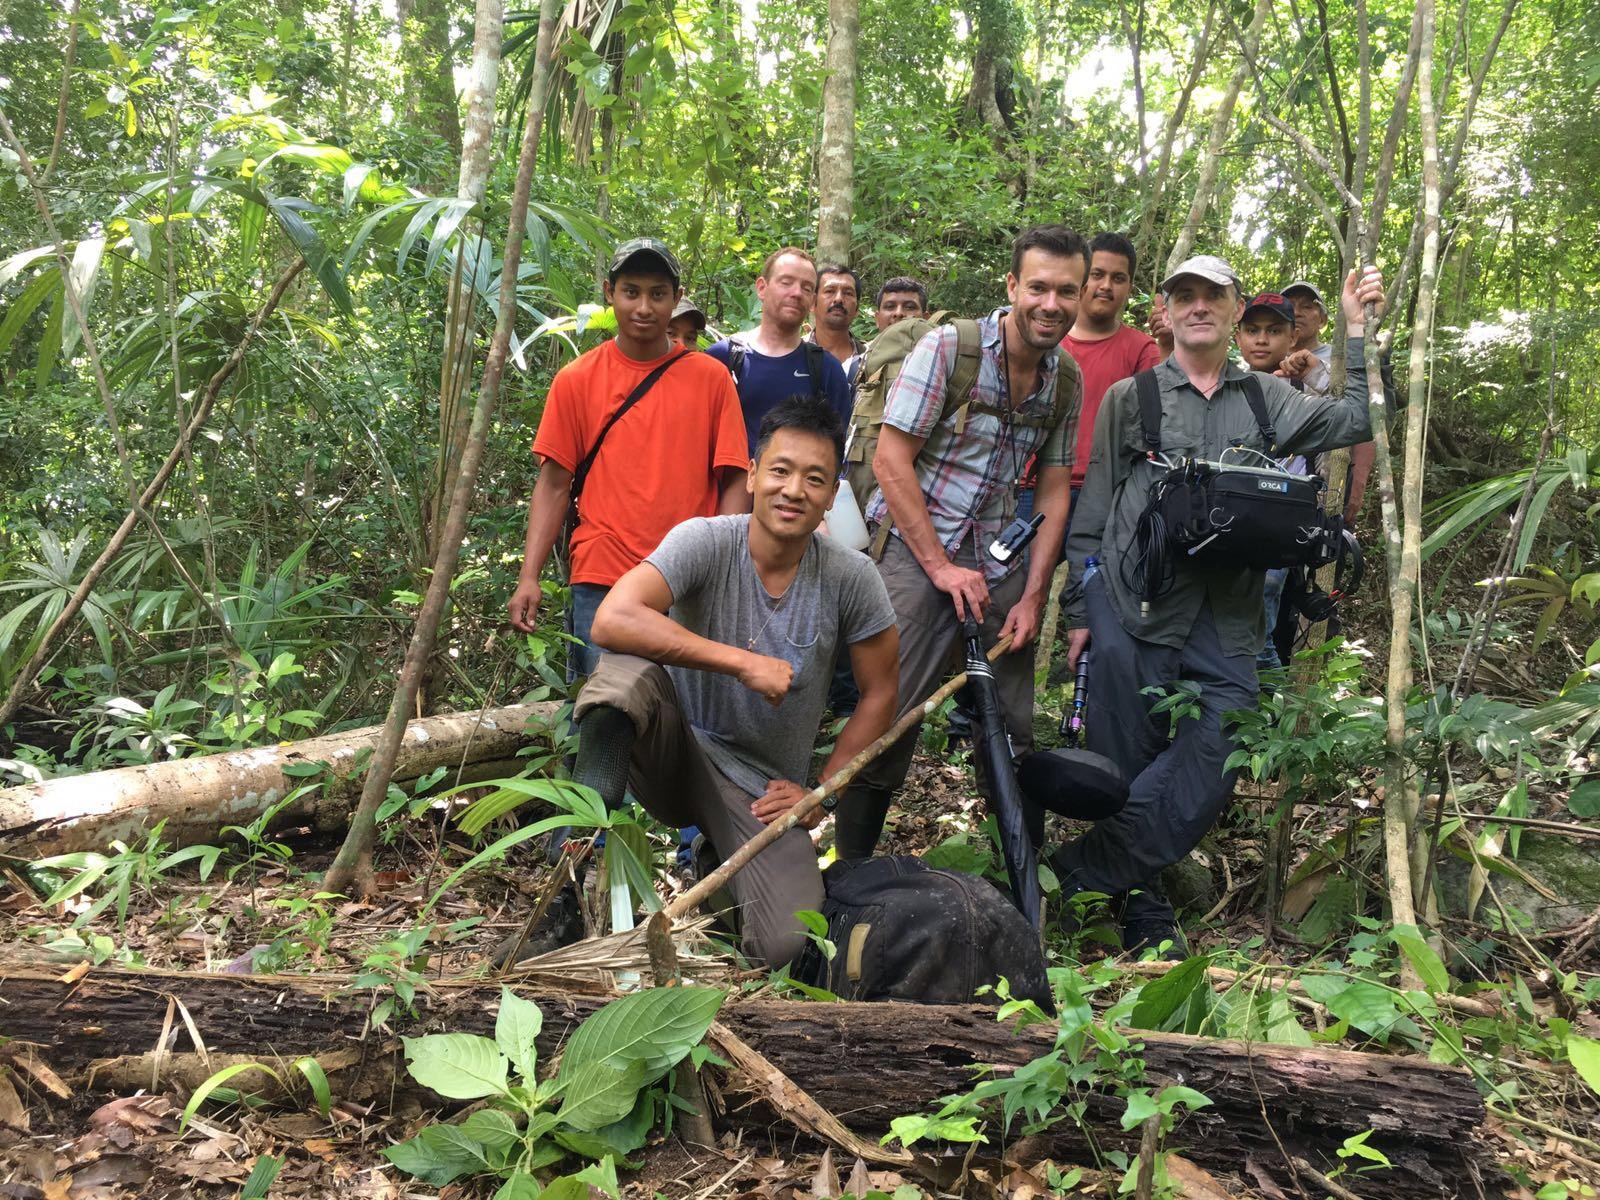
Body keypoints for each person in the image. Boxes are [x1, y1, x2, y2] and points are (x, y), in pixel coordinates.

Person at [1056, 255, 1385, 957]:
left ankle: (1077, 875)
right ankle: (1138, 902)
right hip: (1131, 599)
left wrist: (1356, 331)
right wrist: (1080, 614)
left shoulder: (1267, 398)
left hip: (1229, 613)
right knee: (1122, 754)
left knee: (1220, 740)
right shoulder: (1132, 397)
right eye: (1185, 295)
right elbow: (1096, 506)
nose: (1198, 305)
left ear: (1236, 310)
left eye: (1213, 295)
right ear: (1165, 310)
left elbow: (1356, 417)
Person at [572, 396, 900, 967]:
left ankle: (713, 866)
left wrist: (822, 792)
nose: (793, 490)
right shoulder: (706, 539)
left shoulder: (851, 576)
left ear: (830, 496)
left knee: (787, 943)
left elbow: (881, 692)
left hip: (756, 787)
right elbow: (612, 618)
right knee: (622, 674)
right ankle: (571, 862)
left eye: (814, 479)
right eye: (780, 470)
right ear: (752, 475)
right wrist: (739, 662)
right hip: (673, 745)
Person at [830, 225, 1089, 861]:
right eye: (1038, 287)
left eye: (1066, 291)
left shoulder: (1065, 379)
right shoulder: (951, 350)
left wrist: (1032, 597)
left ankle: (1018, 878)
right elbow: (892, 462)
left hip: (997, 559)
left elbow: (1054, 493)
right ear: (1011, 287)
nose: (1050, 304)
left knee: (1012, 729)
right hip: (915, 550)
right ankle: (851, 878)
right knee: (889, 719)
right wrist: (941, 567)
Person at [508, 238, 750, 680]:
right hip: (603, 574)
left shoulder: (711, 379)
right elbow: (554, 484)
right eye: (631, 291)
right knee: (605, 716)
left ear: (676, 299)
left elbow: (735, 478)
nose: (643, 306)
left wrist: (722, 564)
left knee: (685, 722)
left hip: (688, 577)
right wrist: (529, 576)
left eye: (658, 294)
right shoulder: (576, 380)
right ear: (609, 292)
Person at [707, 249, 853, 452]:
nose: (796, 293)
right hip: (730, 480)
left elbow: (834, 451)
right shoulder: (724, 357)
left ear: (812, 301)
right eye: (786, 282)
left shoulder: (826, 369)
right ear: (762, 288)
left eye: (807, 288)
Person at [1285, 279, 1375, 525]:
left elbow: (1365, 417)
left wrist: (1358, 481)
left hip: (1330, 477)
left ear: (1323, 319)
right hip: (1281, 480)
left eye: (1307, 306)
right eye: (1290, 306)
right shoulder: (1270, 357)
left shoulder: (1342, 360)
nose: (1297, 312)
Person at [809, 265, 868, 380]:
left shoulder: (870, 359)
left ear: (857, 309)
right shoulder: (792, 354)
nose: (839, 299)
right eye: (830, 291)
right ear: (812, 303)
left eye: (848, 293)